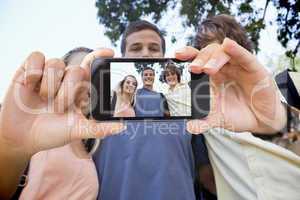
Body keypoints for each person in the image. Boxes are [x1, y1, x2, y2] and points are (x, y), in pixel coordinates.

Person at [0, 18, 287, 200]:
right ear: (123, 56)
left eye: (153, 47)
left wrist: (276, 122)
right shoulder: (94, 115)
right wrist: (10, 149)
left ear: (163, 56)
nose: (146, 53)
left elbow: (208, 173)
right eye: (136, 48)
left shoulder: (185, 109)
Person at [193, 14, 300, 200]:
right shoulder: (198, 102)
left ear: (237, 45)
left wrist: (281, 123)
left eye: (214, 46)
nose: (210, 56)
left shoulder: (291, 82)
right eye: (202, 49)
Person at [15, 47, 100, 200]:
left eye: (95, 75)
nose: (88, 81)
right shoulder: (31, 124)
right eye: (80, 71)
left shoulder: (92, 149)